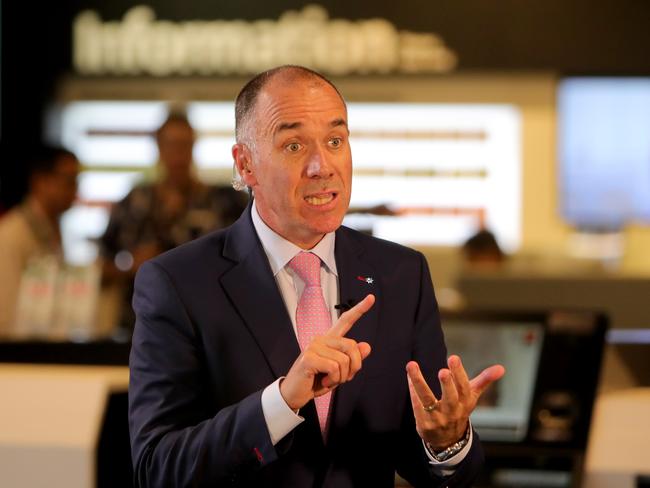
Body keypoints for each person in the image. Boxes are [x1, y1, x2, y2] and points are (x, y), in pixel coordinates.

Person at [129, 66, 505, 487]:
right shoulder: (176, 283)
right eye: (293, 145)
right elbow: (156, 468)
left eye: (335, 141)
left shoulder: (402, 274)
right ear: (245, 164)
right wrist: (283, 400)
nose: (321, 166)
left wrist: (446, 441)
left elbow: (432, 463)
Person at [100, 113, 248, 330]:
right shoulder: (135, 202)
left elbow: (250, 256)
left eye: (184, 144)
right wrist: (130, 266)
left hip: (209, 321)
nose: (178, 154)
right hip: (140, 322)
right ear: (158, 147)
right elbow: (101, 265)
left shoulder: (225, 201)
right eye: (171, 145)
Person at [0, 145, 79, 335]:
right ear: (40, 181)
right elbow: (6, 314)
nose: (74, 190)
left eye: (76, 181)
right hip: (19, 356)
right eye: (68, 181)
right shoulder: (12, 233)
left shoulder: (52, 227)